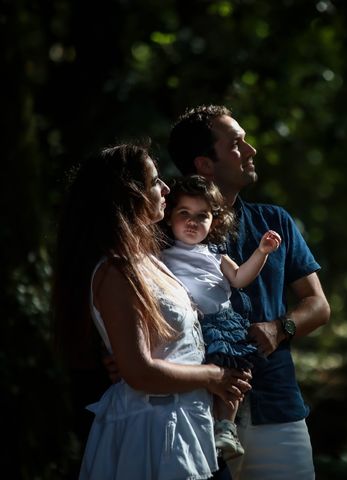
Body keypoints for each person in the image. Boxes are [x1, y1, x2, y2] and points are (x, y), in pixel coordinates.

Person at [51, 143, 252, 480]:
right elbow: (139, 372)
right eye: (155, 181)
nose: (166, 189)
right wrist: (215, 377)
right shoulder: (116, 271)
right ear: (130, 194)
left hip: (186, 423)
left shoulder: (150, 259)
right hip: (153, 433)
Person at [168, 105, 331, 479]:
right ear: (205, 165)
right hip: (191, 411)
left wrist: (280, 327)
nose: (251, 151)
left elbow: (318, 305)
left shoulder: (274, 222)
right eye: (237, 144)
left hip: (276, 406)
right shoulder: (161, 230)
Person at [161, 174, 282, 461]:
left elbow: (240, 278)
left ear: (214, 222)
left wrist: (262, 252)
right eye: (184, 213)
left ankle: (226, 426)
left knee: (237, 370)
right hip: (188, 328)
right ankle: (209, 428)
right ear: (168, 218)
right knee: (204, 379)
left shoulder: (216, 255)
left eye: (202, 216)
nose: (192, 221)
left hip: (222, 322)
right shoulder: (161, 256)